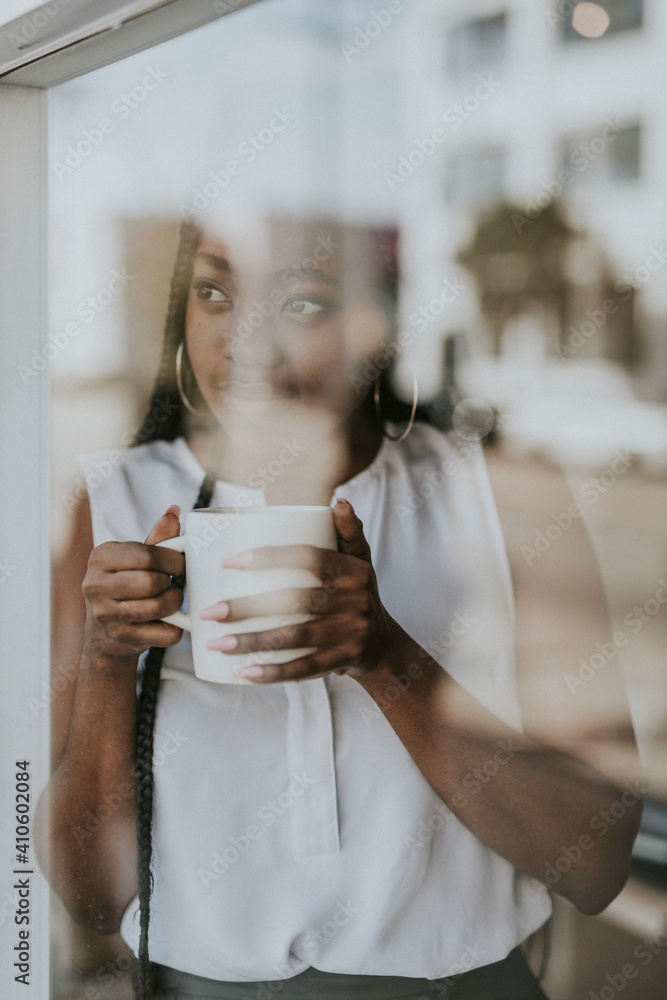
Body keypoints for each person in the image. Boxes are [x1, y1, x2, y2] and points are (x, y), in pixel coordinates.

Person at [39, 210, 643, 1000]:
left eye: (300, 303)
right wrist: (108, 659)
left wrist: (388, 661)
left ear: (380, 326)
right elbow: (86, 898)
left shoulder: (501, 496)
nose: (246, 340)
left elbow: (596, 864)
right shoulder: (117, 502)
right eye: (213, 292)